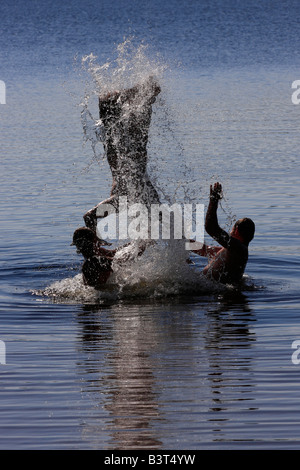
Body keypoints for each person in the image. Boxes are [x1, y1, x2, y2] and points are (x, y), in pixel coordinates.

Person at [83, 76, 161, 231]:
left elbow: (90, 216)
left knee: (129, 120)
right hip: (125, 154)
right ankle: (125, 95)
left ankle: (122, 96)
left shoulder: (127, 196)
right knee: (134, 120)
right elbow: (89, 217)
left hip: (122, 154)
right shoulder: (131, 196)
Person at [191, 182, 255, 285]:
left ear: (236, 230)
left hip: (212, 292)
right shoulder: (232, 250)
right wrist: (180, 240)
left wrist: (213, 201)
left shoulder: (238, 249)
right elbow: (204, 250)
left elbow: (211, 228)